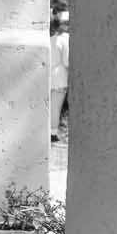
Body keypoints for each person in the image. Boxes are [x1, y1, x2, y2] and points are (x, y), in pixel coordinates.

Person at [50, 9, 70, 140]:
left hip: (50, 75)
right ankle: (53, 133)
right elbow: (67, 61)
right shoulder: (65, 39)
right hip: (60, 77)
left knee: (50, 105)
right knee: (56, 107)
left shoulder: (51, 39)